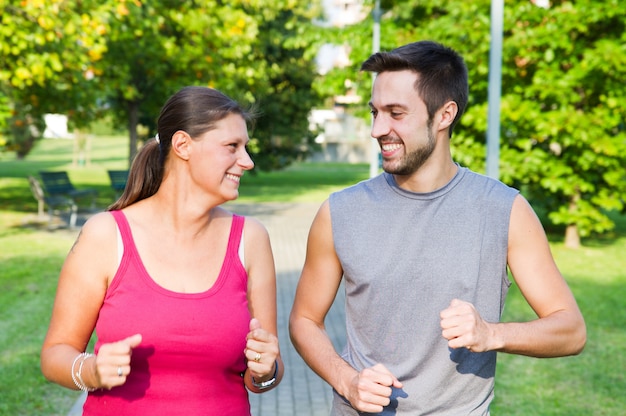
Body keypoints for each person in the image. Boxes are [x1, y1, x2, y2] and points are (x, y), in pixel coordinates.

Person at [289, 40, 586, 415]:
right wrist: (347, 380)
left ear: (445, 115)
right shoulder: (339, 212)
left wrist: (492, 333)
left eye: (396, 113)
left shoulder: (504, 211)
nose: (378, 129)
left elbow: (571, 330)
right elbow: (303, 319)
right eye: (375, 112)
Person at [41, 86, 283, 415]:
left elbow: (263, 376)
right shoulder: (106, 236)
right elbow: (56, 354)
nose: (248, 162)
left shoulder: (251, 239)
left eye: (246, 148)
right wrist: (92, 370)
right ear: (183, 145)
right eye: (232, 147)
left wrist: (266, 370)